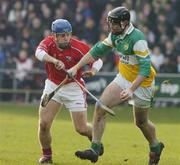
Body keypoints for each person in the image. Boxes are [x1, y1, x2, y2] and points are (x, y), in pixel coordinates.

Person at [67, 7, 164, 165]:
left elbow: (145, 69)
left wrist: (132, 89)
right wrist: (76, 67)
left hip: (142, 82)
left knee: (140, 122)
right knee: (100, 107)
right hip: (124, 77)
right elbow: (97, 50)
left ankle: (155, 146)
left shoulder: (137, 39)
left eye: (114, 23)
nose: (110, 26)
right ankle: (95, 149)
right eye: (109, 22)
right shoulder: (115, 35)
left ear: (125, 23)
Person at [35, 19, 103, 164]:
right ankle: (47, 156)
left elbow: (97, 60)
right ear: (54, 36)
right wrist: (54, 61)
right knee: (43, 124)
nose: (66, 38)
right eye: (62, 35)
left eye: (68, 34)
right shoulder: (48, 43)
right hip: (53, 86)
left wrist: (93, 71)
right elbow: (38, 53)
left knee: (81, 128)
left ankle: (95, 140)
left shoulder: (78, 46)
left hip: (74, 88)